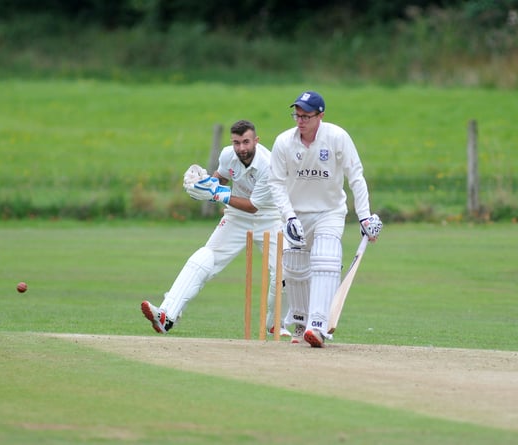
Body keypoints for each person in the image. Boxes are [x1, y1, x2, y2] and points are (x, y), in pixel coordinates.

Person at [141, 119, 289, 336]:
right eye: (237, 143)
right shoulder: (228, 154)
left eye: (246, 142)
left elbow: (253, 206)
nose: (241, 148)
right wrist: (204, 185)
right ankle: (166, 315)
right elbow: (221, 179)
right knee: (205, 257)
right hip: (237, 217)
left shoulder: (268, 165)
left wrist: (217, 194)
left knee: (284, 271)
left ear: (256, 141)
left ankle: (275, 322)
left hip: (269, 217)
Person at [268, 90, 383, 347]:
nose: (300, 121)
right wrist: (288, 217)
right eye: (296, 115)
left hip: (329, 211)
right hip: (295, 212)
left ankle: (317, 326)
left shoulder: (337, 137)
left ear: (320, 116)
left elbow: (356, 176)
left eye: (306, 116)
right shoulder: (283, 142)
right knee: (295, 267)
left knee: (326, 259)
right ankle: (300, 323)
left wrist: (364, 217)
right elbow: (275, 183)